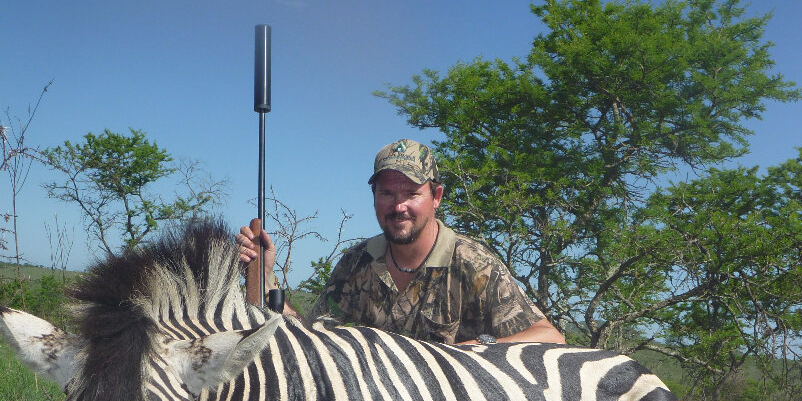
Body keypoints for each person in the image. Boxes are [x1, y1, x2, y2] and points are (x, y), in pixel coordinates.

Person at [237, 139, 565, 346]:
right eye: (387, 193)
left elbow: (549, 336)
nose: (398, 206)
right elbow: (312, 337)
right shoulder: (356, 263)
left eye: (411, 193)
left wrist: (480, 347)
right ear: (374, 197)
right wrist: (266, 279)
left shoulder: (472, 263)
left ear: (436, 197)